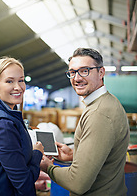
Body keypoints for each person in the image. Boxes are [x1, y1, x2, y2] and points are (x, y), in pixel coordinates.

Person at [40, 48, 130, 196]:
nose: (77, 78)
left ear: (101, 73)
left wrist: (48, 167)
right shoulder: (105, 102)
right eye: (73, 72)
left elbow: (77, 183)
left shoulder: (99, 113)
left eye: (84, 70)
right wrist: (75, 155)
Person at [0, 56, 44, 196]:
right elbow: (24, 184)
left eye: (21, 80)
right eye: (9, 81)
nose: (18, 87)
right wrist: (37, 154)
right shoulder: (3, 126)